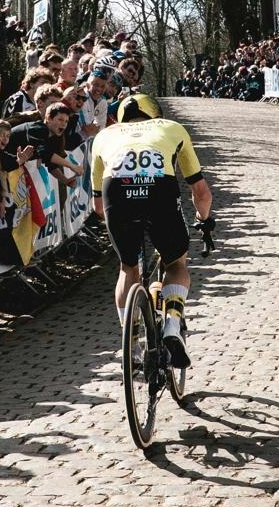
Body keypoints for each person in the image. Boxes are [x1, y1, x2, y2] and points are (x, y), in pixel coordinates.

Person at [90, 93, 214, 367]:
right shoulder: (171, 128)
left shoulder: (104, 136)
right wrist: (204, 220)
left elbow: (98, 206)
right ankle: (171, 326)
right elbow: (200, 192)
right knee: (175, 262)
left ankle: (130, 343)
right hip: (160, 193)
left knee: (127, 267)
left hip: (117, 195)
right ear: (155, 115)